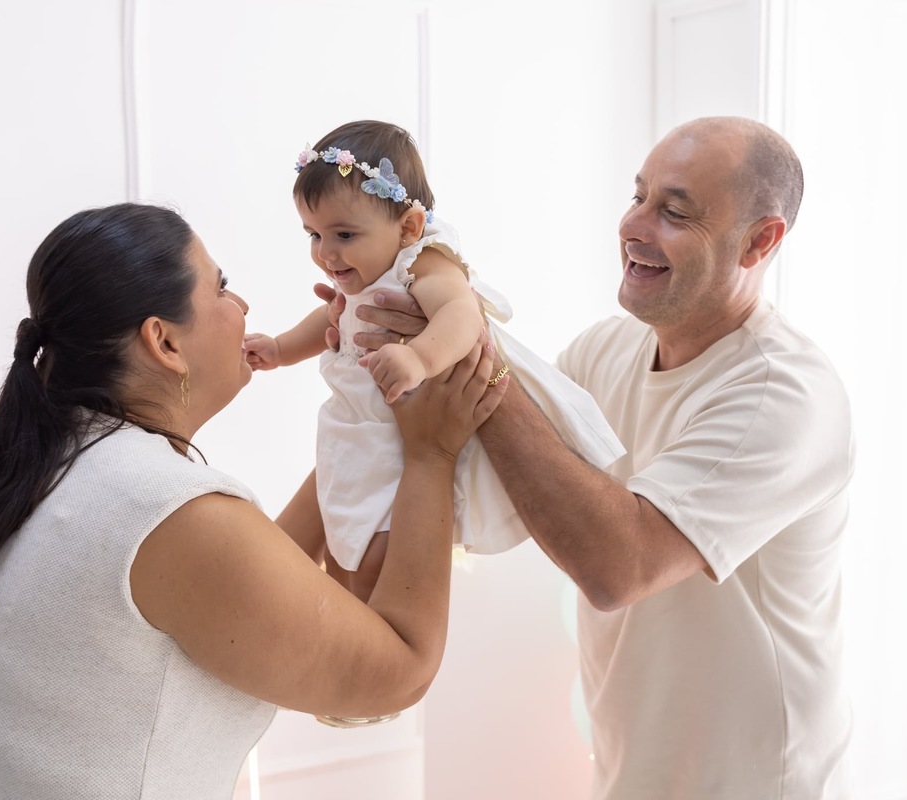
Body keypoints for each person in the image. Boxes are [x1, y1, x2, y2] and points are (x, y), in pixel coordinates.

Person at [0, 202, 506, 798]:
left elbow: (255, 584)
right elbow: (401, 671)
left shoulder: (52, 466)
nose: (243, 305)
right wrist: (430, 452)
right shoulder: (163, 508)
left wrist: (365, 425)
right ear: (165, 342)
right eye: (221, 288)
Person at [345, 117, 855, 798]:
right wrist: (362, 355)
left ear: (759, 241)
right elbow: (479, 453)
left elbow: (619, 564)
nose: (633, 225)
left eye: (674, 211)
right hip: (631, 768)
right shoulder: (603, 351)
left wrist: (469, 348)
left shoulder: (786, 395)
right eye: (638, 195)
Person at [244, 119, 624, 614]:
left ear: (409, 227)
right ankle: (345, 629)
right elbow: (332, 317)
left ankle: (378, 636)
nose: (325, 253)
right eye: (313, 234)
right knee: (340, 553)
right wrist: (280, 348)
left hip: (400, 439)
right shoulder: (367, 267)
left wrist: (419, 357)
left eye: (343, 234)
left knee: (377, 557)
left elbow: (462, 315)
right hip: (352, 434)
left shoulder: (422, 262)